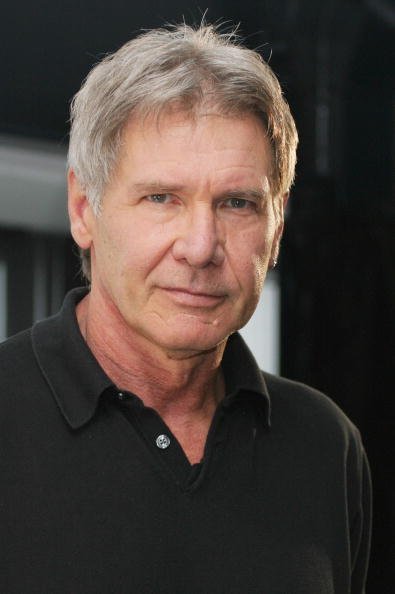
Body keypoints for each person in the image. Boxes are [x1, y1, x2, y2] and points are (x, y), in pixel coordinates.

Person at [1, 23, 371, 594]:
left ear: (276, 228)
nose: (201, 246)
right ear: (83, 210)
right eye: (161, 198)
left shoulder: (325, 447)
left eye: (238, 203)